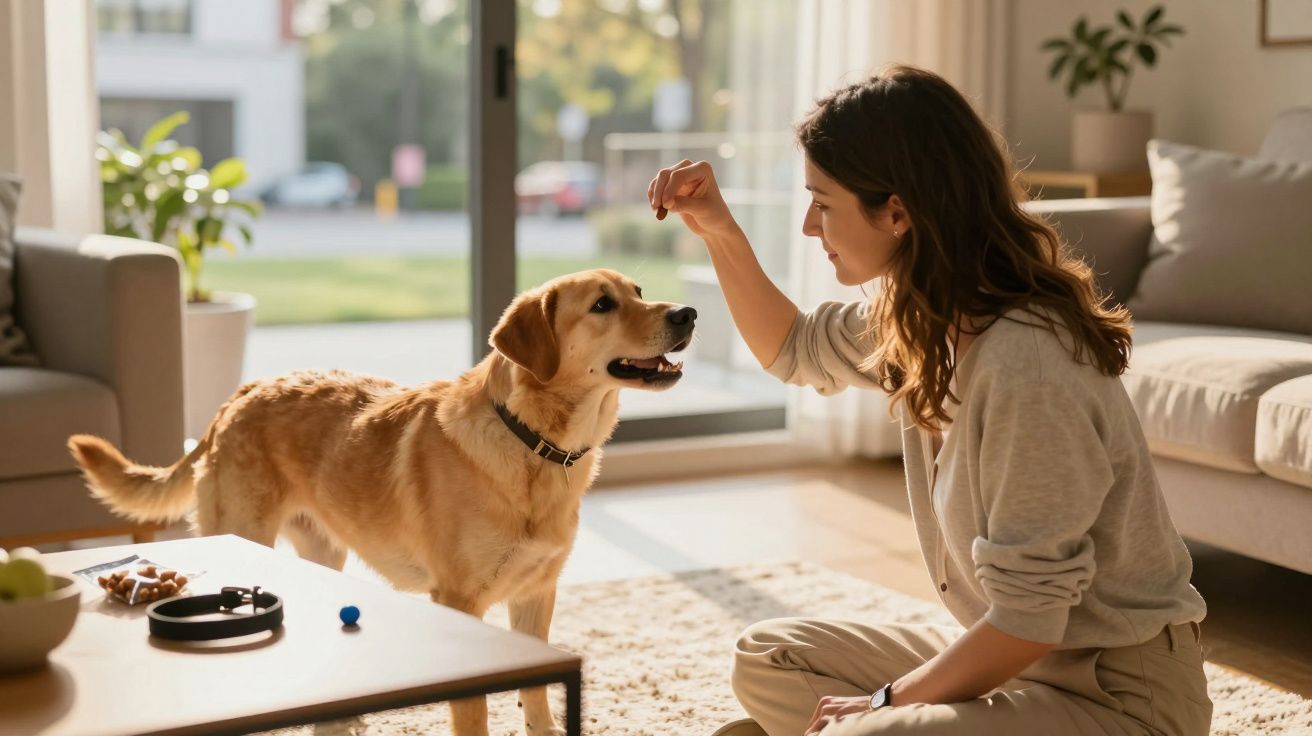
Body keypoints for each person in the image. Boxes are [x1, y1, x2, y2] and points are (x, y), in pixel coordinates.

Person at [648, 65, 1212, 736]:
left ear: (898, 211)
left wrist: (886, 701)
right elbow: (795, 348)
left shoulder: (1028, 369)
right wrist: (717, 230)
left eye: (823, 203)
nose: (807, 225)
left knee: (864, 729)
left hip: (1118, 699)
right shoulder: (924, 322)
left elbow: (1029, 621)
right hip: (1022, 671)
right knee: (769, 657)